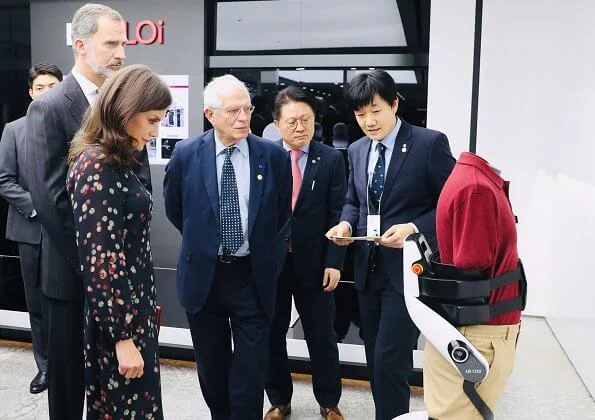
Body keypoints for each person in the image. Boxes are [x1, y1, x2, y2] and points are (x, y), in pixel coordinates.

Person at [24, 4, 150, 418]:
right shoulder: (50, 107)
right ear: (80, 45)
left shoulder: (125, 105)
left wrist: (118, 268)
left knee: (116, 384)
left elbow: (141, 183)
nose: (121, 53)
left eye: (124, 43)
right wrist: (98, 264)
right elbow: (50, 200)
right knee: (68, 385)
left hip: (117, 278)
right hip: (70, 276)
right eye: (111, 43)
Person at [326, 69, 456, 420]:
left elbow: (453, 204)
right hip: (368, 270)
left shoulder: (429, 144)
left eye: (375, 110)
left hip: (409, 271)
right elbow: (354, 201)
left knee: (389, 359)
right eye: (359, 114)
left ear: (394, 104)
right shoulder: (355, 150)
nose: (368, 121)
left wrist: (414, 227)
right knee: (375, 357)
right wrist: (344, 222)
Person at [163, 75, 291, 420]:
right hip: (205, 277)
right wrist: (206, 242)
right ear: (210, 114)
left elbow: (280, 214)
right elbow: (176, 208)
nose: (243, 117)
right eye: (233, 110)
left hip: (252, 276)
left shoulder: (272, 156)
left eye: (247, 108)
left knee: (250, 372)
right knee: (213, 369)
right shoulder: (187, 154)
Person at [66, 64, 170, 419]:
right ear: (126, 110)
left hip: (132, 312)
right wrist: (122, 337)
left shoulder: (118, 159)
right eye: (152, 120)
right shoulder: (97, 164)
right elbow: (100, 259)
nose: (156, 131)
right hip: (119, 323)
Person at [264, 87, 346, 420]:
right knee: (272, 334)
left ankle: (329, 402)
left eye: (307, 120)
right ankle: (279, 400)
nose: (300, 128)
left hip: (315, 264)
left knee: (321, 336)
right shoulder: (265, 157)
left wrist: (334, 262)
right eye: (293, 121)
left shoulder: (330, 159)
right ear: (276, 122)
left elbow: (338, 213)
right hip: (273, 265)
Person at [425, 152, 523, 419]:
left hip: (478, 331)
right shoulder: (476, 189)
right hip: (479, 336)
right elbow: (472, 262)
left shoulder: (472, 181)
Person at [0, 62, 63, 394]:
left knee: (68, 303)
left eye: (53, 86)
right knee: (37, 304)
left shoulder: (74, 127)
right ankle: (45, 368)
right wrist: (39, 208)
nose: (46, 93)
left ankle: (71, 363)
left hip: (67, 235)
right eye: (41, 87)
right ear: (30, 92)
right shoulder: (14, 129)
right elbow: (4, 180)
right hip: (30, 231)